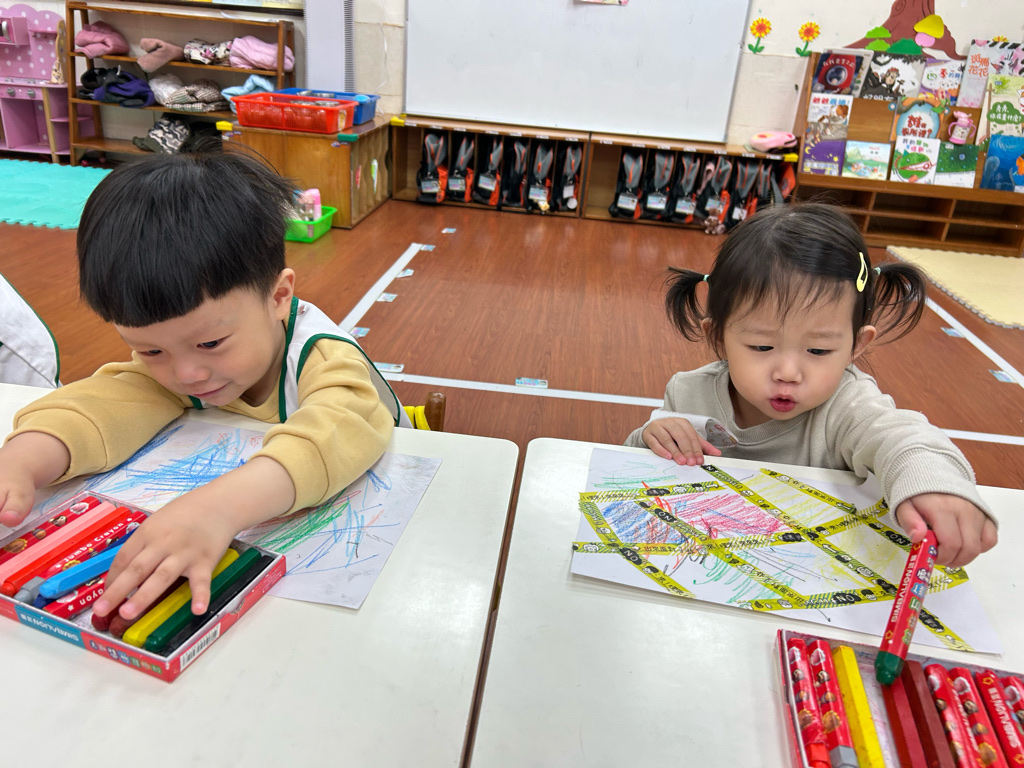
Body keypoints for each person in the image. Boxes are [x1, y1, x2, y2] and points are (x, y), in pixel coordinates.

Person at [0, 148, 403, 620]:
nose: (185, 374)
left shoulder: (320, 355)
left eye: (210, 343)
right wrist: (22, 460)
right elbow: (105, 402)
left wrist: (220, 508)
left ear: (278, 296)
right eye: (151, 351)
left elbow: (345, 427)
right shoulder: (183, 358)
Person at [625, 202, 996, 568]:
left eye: (818, 350)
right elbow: (630, 472)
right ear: (718, 338)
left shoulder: (847, 406)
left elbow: (902, 437)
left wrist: (933, 483)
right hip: (705, 566)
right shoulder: (689, 393)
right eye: (762, 347)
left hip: (815, 573)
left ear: (856, 345)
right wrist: (650, 439)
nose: (788, 372)